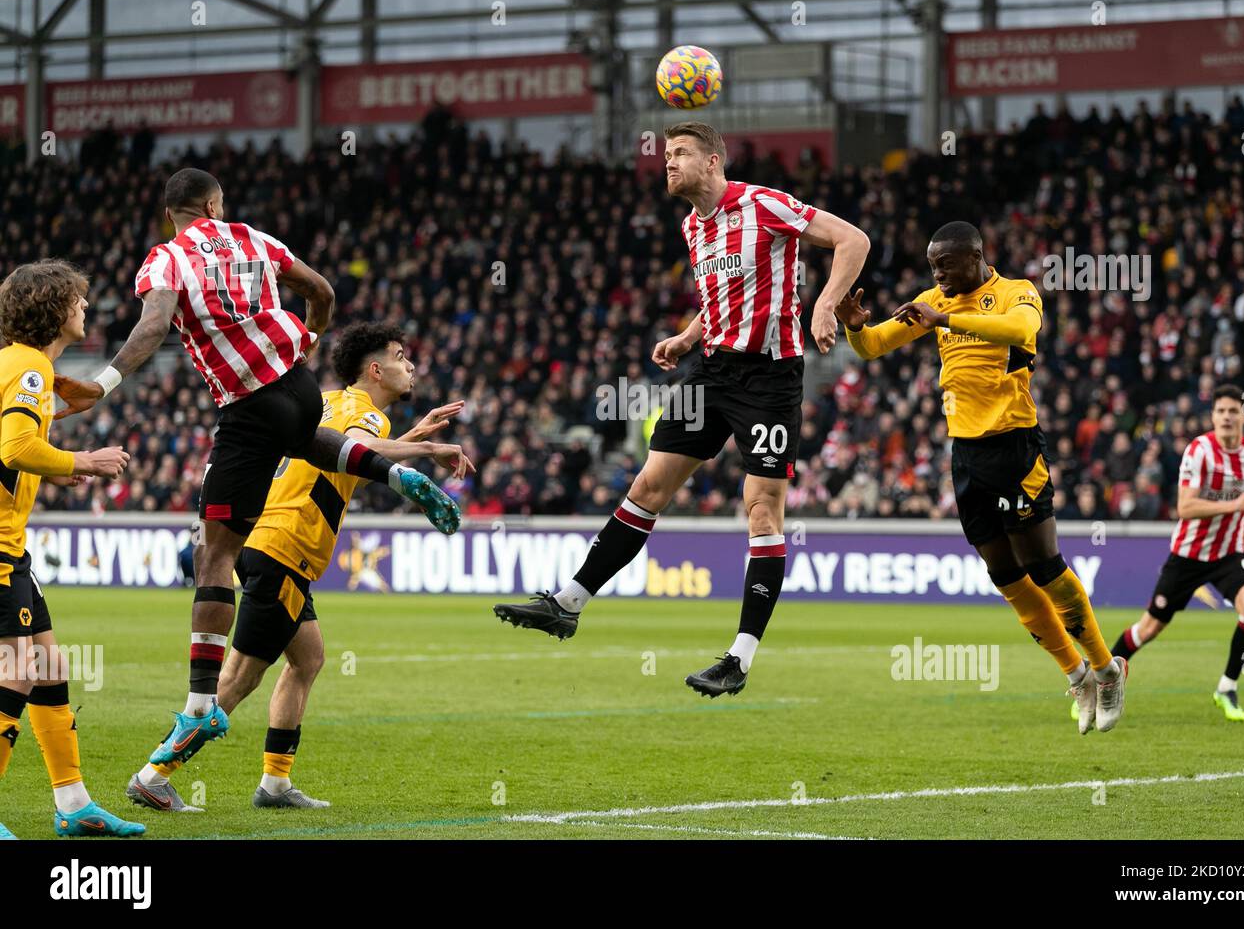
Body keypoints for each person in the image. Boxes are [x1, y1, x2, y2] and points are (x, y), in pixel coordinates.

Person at [52, 169, 461, 781]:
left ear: (172, 215)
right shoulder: (252, 238)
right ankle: (397, 477)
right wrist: (306, 344)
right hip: (297, 385)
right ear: (216, 205)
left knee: (214, 556)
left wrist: (101, 385)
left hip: (245, 403)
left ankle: (196, 709)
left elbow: (154, 324)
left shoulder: (166, 259)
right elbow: (321, 289)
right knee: (307, 441)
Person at [493, 121, 870, 697]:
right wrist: (688, 337)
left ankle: (738, 660)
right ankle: (569, 603)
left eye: (681, 154)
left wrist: (823, 306)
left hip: (769, 377)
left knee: (762, 511)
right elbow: (723, 297)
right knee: (647, 486)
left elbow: (854, 240)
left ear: (713, 162)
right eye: (666, 154)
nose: (668, 163)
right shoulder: (694, 225)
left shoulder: (765, 204)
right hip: (712, 370)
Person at [127, 322, 474, 810]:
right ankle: (154, 773)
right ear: (375, 369)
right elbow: (365, 450)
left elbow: (344, 461)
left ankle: (275, 784)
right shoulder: (366, 414)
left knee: (307, 658)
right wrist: (427, 449)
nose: (410, 364)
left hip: (262, 537)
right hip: (286, 546)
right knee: (238, 679)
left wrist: (416, 434)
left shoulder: (327, 401)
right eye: (400, 355)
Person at [836, 221, 1126, 734]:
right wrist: (856, 326)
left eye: (945, 265)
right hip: (966, 456)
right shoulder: (934, 300)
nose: (937, 275)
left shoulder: (1017, 293)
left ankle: (1107, 668)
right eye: (931, 267)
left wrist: (946, 319)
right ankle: (1076, 674)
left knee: (1045, 568)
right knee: (1006, 578)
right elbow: (876, 346)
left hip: (1015, 447)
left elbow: (1021, 332)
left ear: (975, 257)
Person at [0, 259, 144, 837]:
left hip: (14, 552)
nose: (86, 307)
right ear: (55, 309)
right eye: (79, 300)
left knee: (48, 666)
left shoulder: (16, 365)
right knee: (14, 672)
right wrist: (84, 460)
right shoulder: (30, 367)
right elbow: (15, 446)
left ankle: (74, 803)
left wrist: (55, 473)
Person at [1108, 385, 1244, 722]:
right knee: (1148, 629)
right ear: (1213, 416)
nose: (1225, 417)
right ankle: (1098, 682)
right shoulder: (1199, 451)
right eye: (1220, 411)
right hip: (1188, 555)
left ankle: (1227, 687)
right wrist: (1234, 504)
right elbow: (1185, 506)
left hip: (1229, 554)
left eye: (1233, 411)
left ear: (1242, 416)